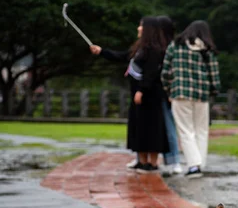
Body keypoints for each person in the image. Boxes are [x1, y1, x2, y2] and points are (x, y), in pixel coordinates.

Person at [91, 17, 169, 172]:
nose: (138, 29)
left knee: (151, 128)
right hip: (137, 94)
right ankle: (142, 160)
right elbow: (121, 56)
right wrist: (102, 52)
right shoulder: (139, 48)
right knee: (139, 127)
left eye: (141, 26)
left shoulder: (154, 50)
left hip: (150, 96)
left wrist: (141, 90)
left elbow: (151, 73)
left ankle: (152, 163)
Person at [161, 20, 221, 178]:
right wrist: (213, 90)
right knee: (201, 130)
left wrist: (168, 89)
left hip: (180, 93)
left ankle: (194, 166)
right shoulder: (207, 50)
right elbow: (214, 76)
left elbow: (165, 71)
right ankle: (200, 163)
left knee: (186, 130)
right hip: (202, 95)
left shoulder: (175, 46)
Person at [156, 15, 183, 175]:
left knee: (169, 127)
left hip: (167, 93)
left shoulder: (171, 47)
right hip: (159, 91)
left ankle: (174, 160)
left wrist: (169, 90)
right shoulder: (159, 46)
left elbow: (170, 72)